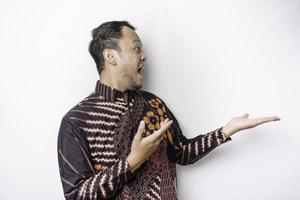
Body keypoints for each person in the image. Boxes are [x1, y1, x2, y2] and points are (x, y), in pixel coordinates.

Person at [57, 21, 280, 200]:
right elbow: (77, 195)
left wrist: (225, 131)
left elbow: (181, 152)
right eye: (136, 48)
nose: (144, 56)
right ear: (111, 56)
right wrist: (132, 162)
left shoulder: (153, 104)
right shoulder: (76, 121)